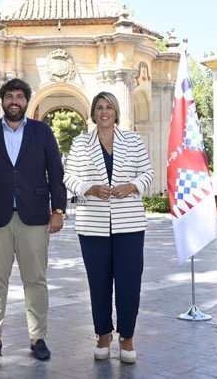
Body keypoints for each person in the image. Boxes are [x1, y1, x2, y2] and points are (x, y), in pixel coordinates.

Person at [0, 78, 67, 361]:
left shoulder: (43, 132)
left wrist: (58, 210)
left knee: (35, 279)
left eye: (20, 96)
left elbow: (55, 174)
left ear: (27, 101)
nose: (15, 101)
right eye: (10, 96)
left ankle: (38, 338)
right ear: (2, 101)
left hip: (34, 217)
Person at [63, 91, 153, 364]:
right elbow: (68, 176)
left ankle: (127, 337)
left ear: (116, 112)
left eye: (109, 107)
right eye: (99, 107)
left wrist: (133, 186)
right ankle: (103, 335)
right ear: (93, 113)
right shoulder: (80, 143)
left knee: (129, 283)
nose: (104, 112)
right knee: (99, 283)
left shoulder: (134, 141)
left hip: (130, 224)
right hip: (93, 225)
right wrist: (88, 188)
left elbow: (148, 173)